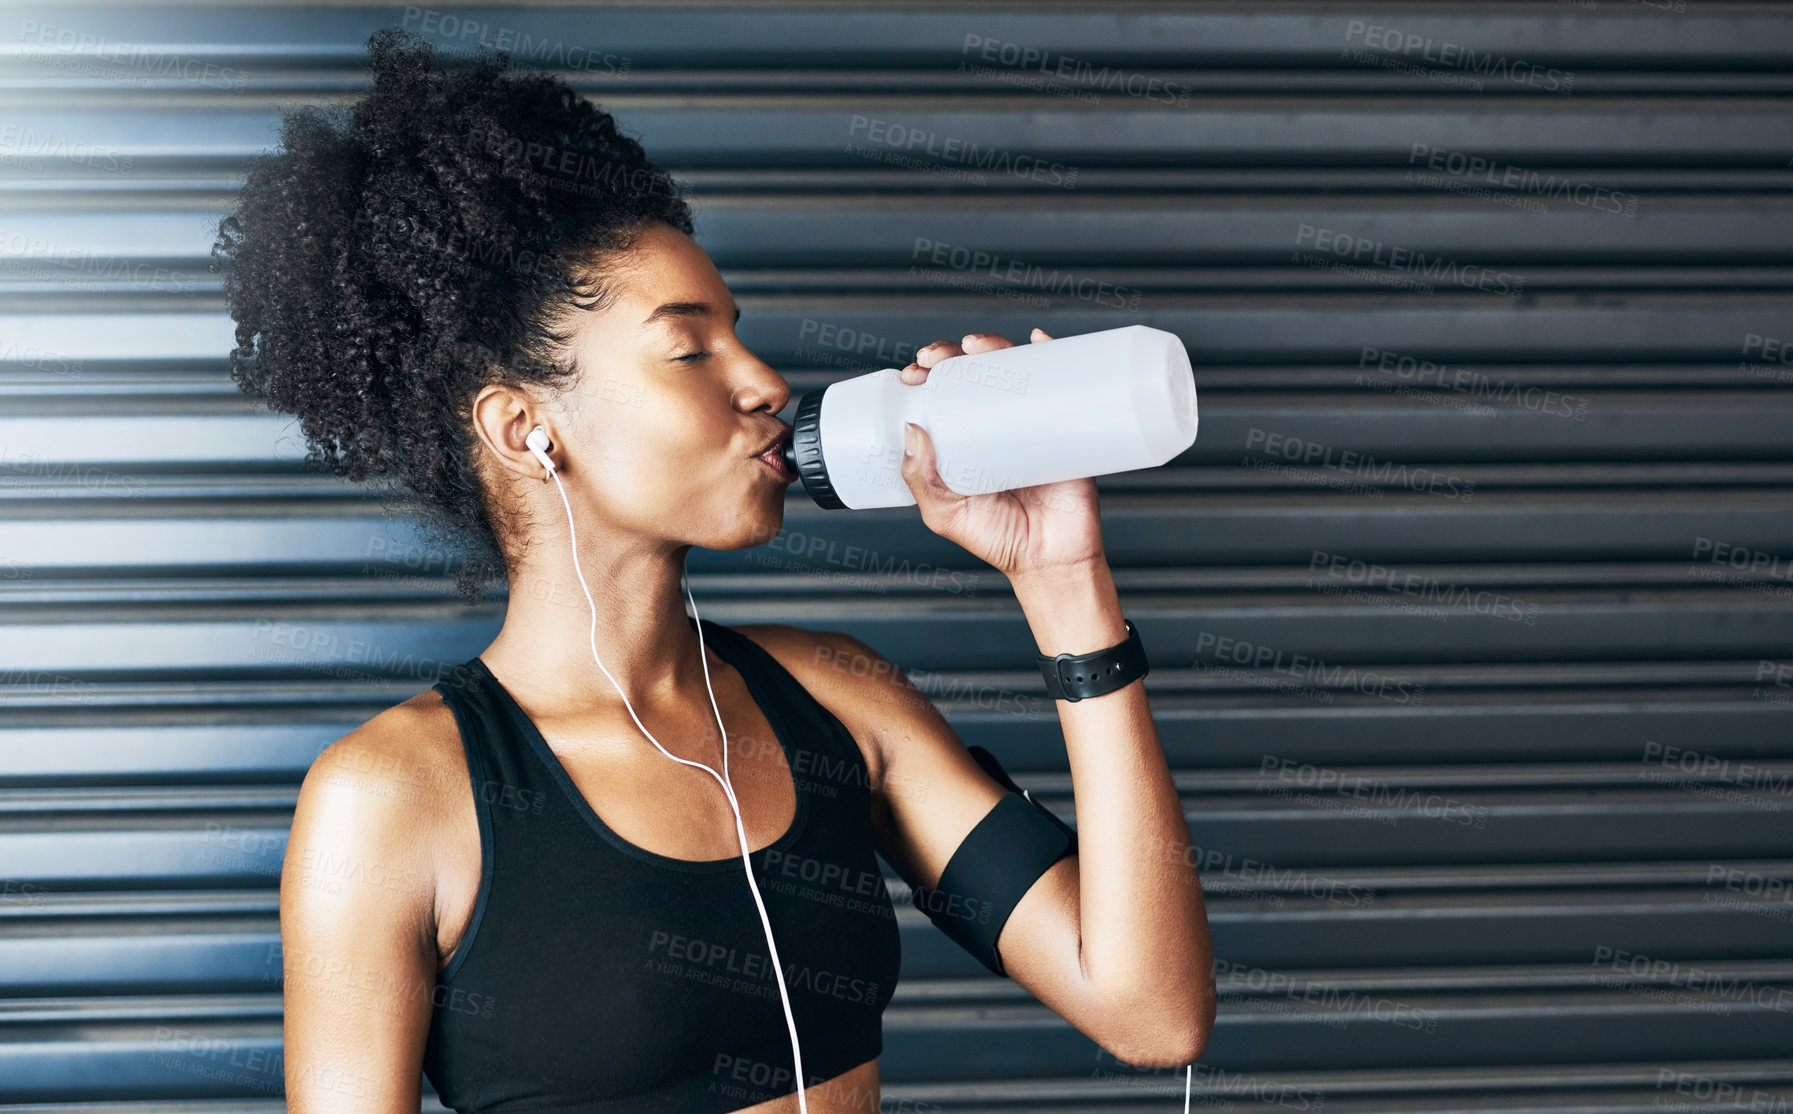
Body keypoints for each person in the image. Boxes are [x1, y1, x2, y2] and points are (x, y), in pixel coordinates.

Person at [211, 27, 1214, 1114]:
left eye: (738, 333)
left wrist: (1063, 584)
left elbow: (1149, 1011)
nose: (763, 380)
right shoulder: (394, 798)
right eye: (689, 349)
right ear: (523, 427)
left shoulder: (838, 696)